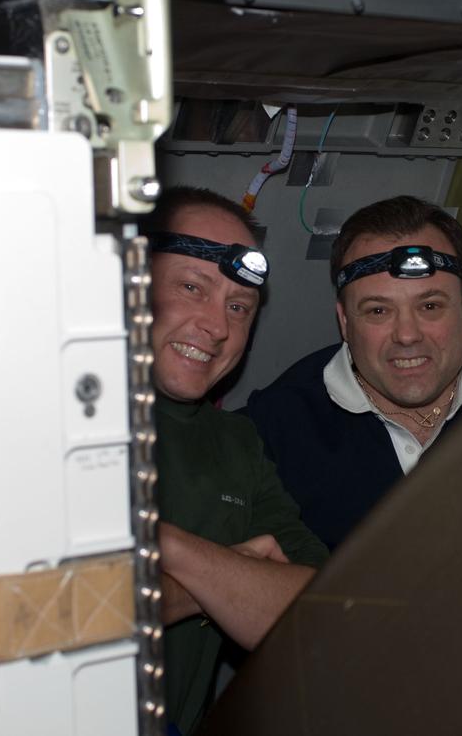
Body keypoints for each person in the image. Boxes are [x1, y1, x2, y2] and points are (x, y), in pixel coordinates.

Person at [143, 186, 328, 736]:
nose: (218, 326)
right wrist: (227, 578)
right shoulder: (33, 427)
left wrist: (166, 547)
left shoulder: (236, 443)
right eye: (192, 287)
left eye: (238, 307)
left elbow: (314, 616)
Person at [245, 196, 462, 552]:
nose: (407, 335)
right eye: (378, 311)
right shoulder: (272, 433)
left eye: (430, 306)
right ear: (344, 321)